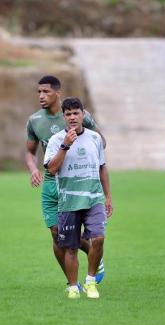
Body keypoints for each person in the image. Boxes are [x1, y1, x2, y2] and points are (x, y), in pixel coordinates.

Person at [25, 75, 106, 288]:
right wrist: (33, 168)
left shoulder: (80, 115)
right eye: (39, 92)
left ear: (57, 93)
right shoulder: (34, 120)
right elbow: (29, 152)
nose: (41, 96)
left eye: (46, 92)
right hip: (51, 180)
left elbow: (100, 142)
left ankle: (94, 256)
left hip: (72, 182)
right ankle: (72, 283)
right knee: (56, 235)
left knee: (69, 235)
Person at [44, 97, 112, 299]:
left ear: (83, 114)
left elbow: (102, 167)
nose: (72, 117)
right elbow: (52, 169)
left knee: (98, 238)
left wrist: (108, 196)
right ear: (63, 117)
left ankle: (91, 282)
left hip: (93, 198)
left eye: (76, 113)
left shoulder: (95, 138)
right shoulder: (56, 140)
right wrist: (65, 145)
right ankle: (73, 287)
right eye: (68, 114)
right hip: (69, 200)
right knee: (71, 247)